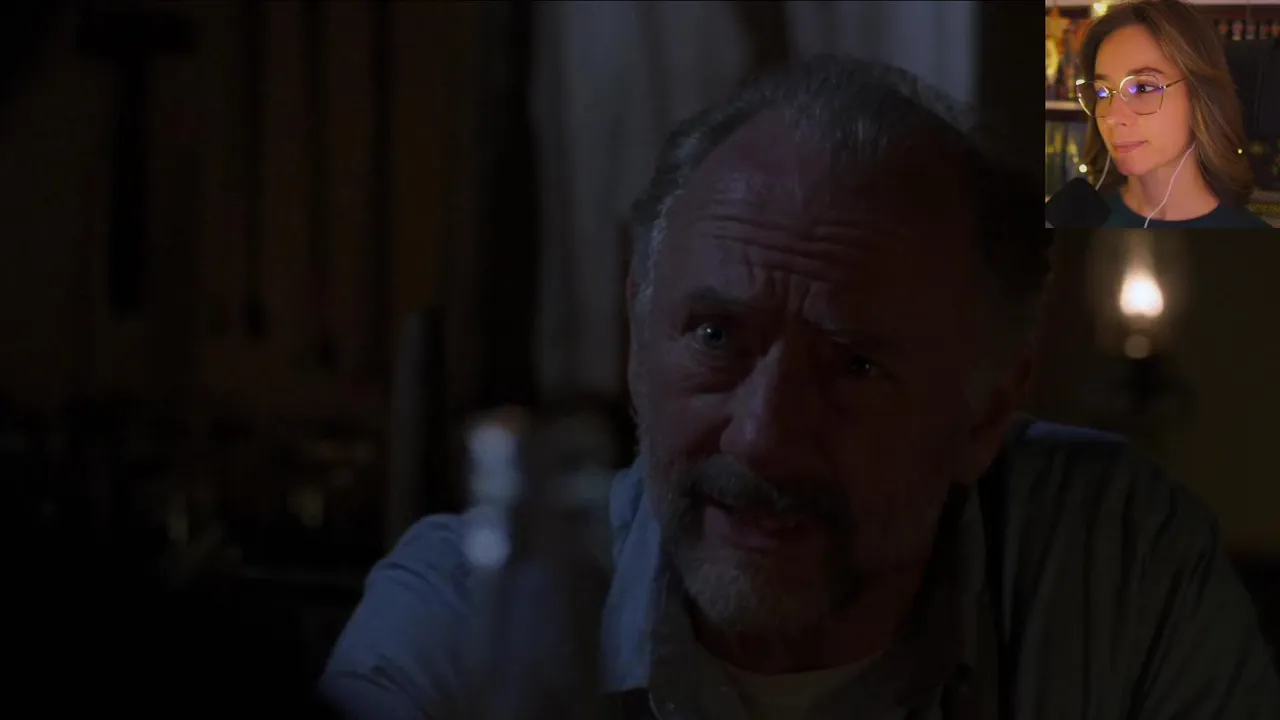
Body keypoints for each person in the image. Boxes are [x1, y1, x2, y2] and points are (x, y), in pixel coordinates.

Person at [320, 55, 1280, 719]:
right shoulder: (467, 614)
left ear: (985, 410)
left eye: (855, 365)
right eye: (714, 337)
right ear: (636, 338)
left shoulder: (1116, 574)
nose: (762, 436)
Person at [1077, 0, 1273, 228]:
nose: (1112, 117)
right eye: (1102, 92)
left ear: (1199, 94)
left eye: (1143, 88)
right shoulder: (1075, 221)